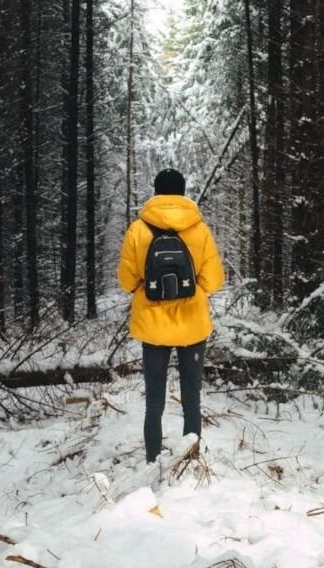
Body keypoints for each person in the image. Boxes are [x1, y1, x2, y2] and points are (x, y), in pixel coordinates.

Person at [118, 169, 224, 463]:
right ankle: (191, 458)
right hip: (192, 325)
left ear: (156, 192)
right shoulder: (199, 230)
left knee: (154, 399)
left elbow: (126, 282)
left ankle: (153, 459)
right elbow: (214, 282)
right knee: (192, 396)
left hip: (152, 327)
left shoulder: (138, 230)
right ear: (183, 192)